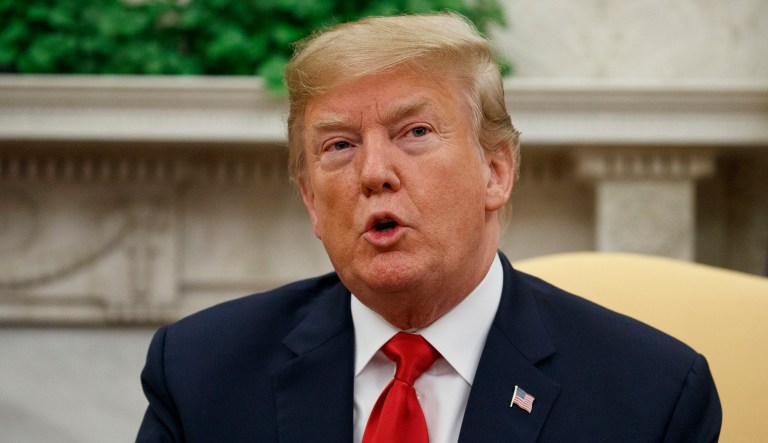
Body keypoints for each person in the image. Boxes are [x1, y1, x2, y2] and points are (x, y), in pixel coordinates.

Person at [136, 13, 721, 442]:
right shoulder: (200, 372)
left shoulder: (652, 397)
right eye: (339, 145)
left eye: (414, 132)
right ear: (312, 201)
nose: (374, 173)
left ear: (495, 172)